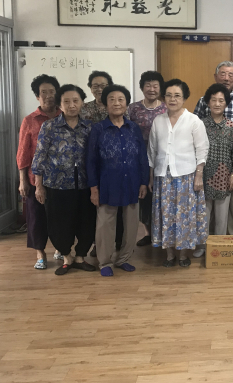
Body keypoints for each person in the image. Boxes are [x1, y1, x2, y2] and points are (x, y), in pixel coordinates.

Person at [31, 85, 96, 275]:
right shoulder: (50, 126)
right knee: (59, 224)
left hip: (85, 184)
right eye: (66, 101)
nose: (71, 105)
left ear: (82, 103)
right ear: (60, 104)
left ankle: (80, 257)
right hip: (57, 184)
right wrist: (38, 186)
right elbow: (40, 156)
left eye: (75, 101)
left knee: (86, 222)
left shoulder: (89, 127)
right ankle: (67, 257)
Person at [87, 85, 149, 277]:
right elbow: (90, 160)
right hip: (107, 183)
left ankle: (123, 259)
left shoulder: (133, 128)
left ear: (126, 103)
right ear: (106, 104)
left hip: (132, 181)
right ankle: (105, 262)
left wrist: (144, 182)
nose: (116, 103)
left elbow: (142, 157)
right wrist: (93, 188)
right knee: (105, 224)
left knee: (131, 224)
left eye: (121, 99)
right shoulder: (98, 129)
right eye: (112, 99)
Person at [149, 79, 209, 267]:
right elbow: (151, 151)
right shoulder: (158, 121)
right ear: (164, 97)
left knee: (184, 217)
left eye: (177, 96)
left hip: (187, 176)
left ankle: (183, 254)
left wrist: (199, 175)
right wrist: (151, 176)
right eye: (169, 95)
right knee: (166, 215)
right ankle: (169, 254)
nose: (172, 99)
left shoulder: (194, 121)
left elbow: (202, 149)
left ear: (184, 98)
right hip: (163, 177)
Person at [193, 61, 233, 235]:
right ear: (215, 76)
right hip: (208, 162)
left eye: (231, 75)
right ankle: (209, 242)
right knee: (208, 204)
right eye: (223, 74)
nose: (226, 78)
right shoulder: (203, 101)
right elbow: (193, 128)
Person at [17, 74, 62, 269]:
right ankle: (40, 254)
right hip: (35, 179)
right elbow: (23, 152)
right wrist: (22, 180)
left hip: (62, 179)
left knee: (60, 216)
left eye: (52, 91)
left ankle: (61, 248)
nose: (49, 96)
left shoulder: (65, 116)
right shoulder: (30, 120)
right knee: (36, 218)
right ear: (37, 96)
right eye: (44, 92)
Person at [128, 71, 167, 247]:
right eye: (148, 85)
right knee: (143, 197)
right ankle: (147, 233)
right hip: (138, 158)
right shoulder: (133, 108)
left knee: (159, 195)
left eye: (155, 86)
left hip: (161, 158)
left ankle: (162, 232)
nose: (152, 89)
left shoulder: (166, 108)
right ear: (142, 87)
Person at [202, 84, 233, 237]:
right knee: (203, 217)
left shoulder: (231, 127)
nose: (217, 104)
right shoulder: (200, 125)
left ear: (226, 103)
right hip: (204, 178)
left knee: (221, 219)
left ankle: (217, 247)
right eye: (213, 100)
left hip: (224, 179)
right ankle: (202, 247)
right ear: (208, 102)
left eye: (221, 100)